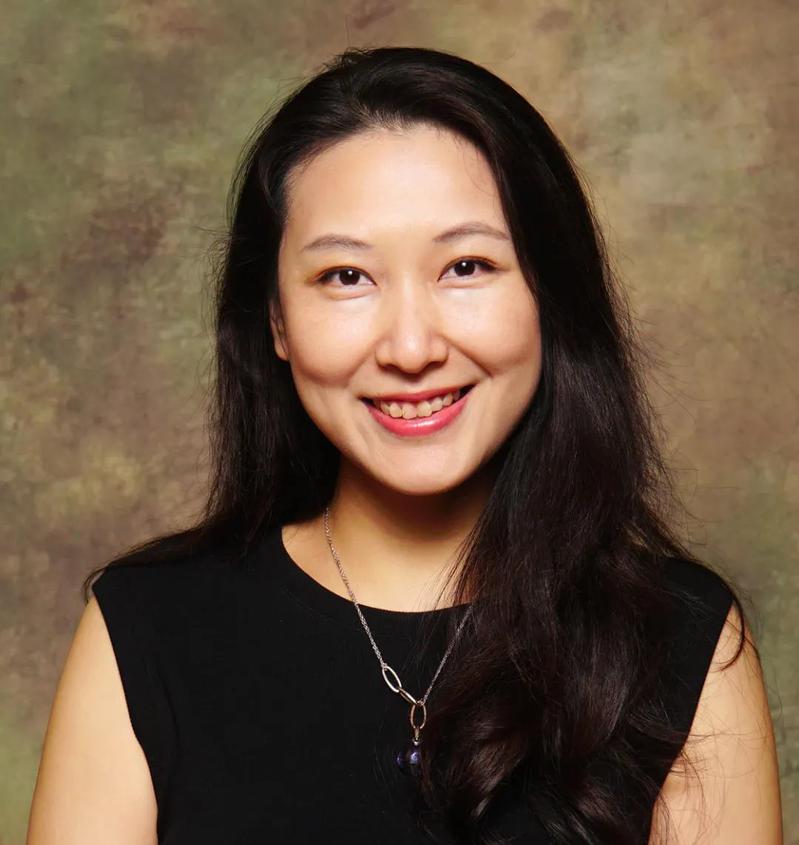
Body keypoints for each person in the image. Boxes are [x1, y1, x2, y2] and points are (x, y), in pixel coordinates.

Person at [26, 46, 783, 844]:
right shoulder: (148, 627)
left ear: (548, 295)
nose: (411, 347)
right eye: (346, 277)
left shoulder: (680, 637)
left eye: (466, 265)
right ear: (276, 320)